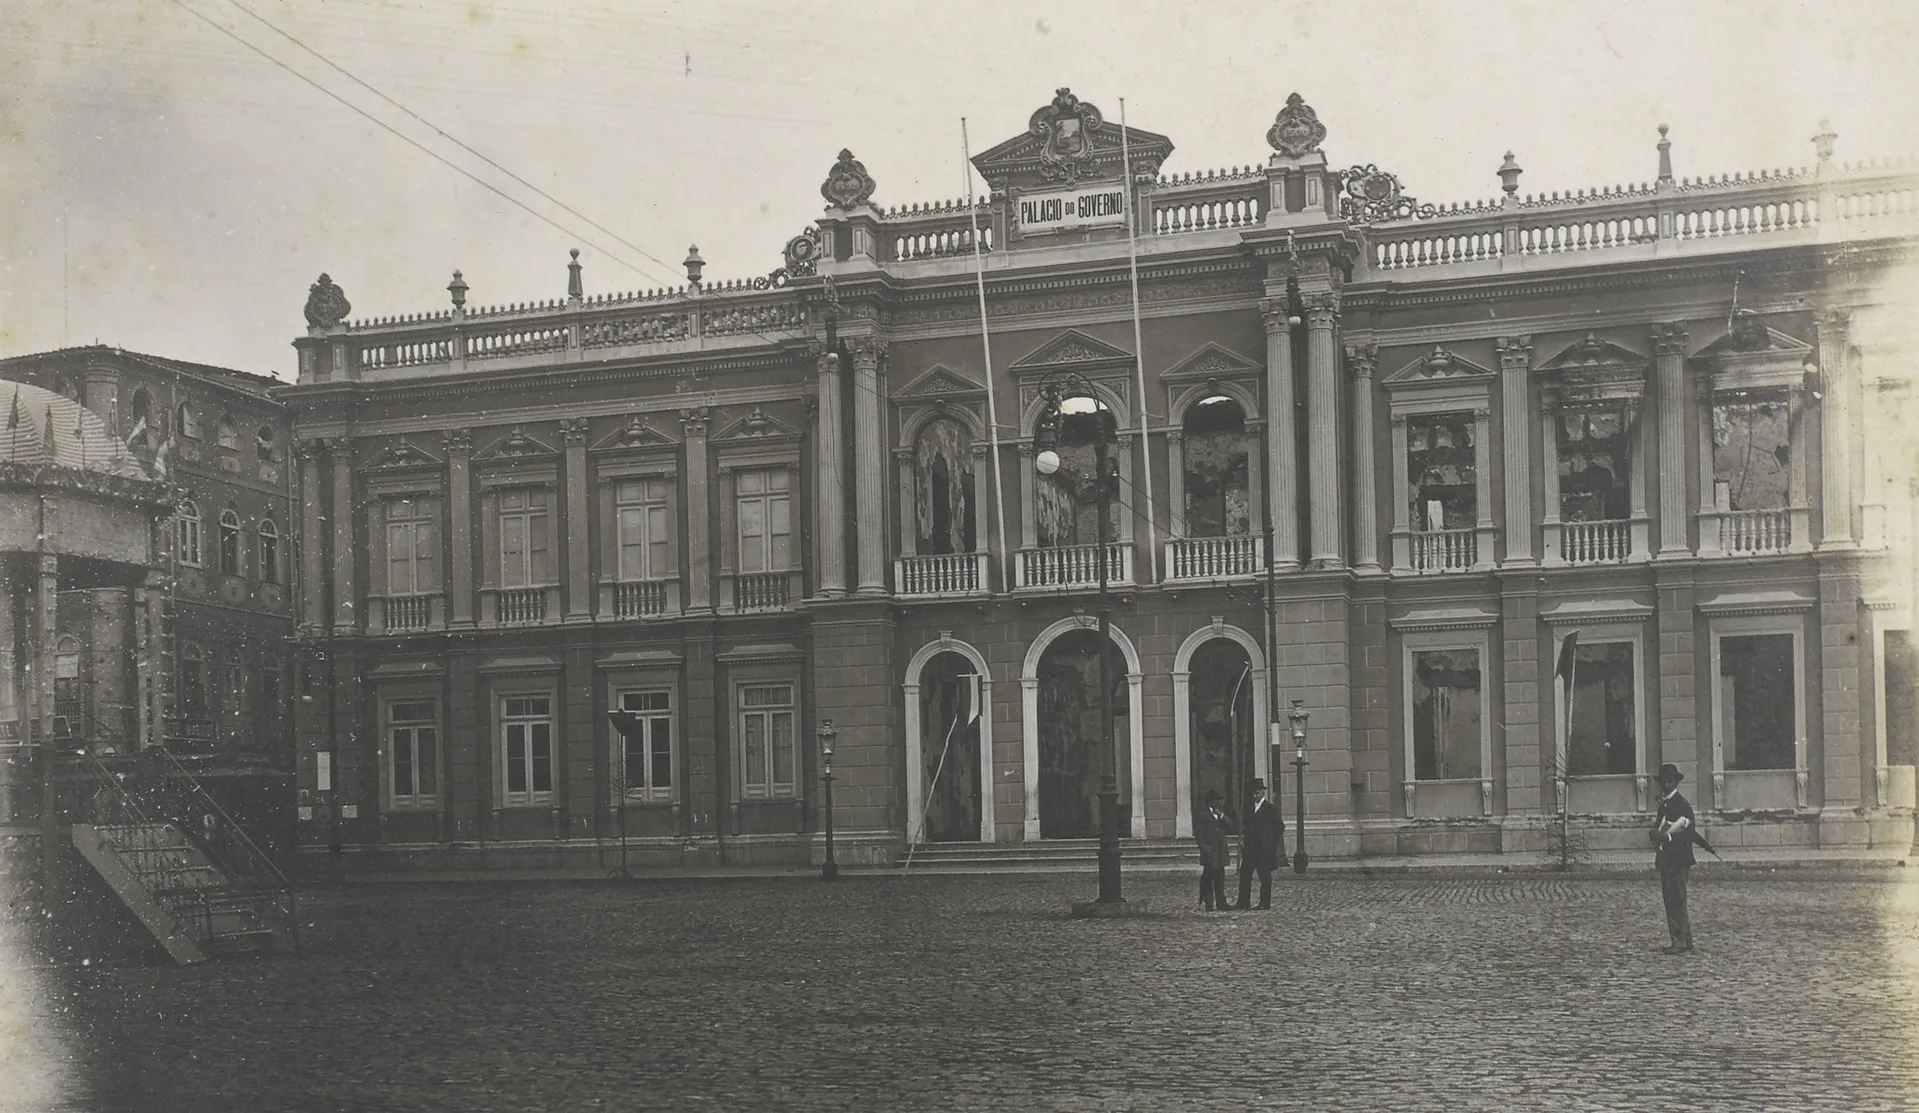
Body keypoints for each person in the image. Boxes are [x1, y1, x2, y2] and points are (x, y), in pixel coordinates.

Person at [1650, 762, 1710, 954]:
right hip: (1667, 858)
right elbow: (1660, 825)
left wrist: (1668, 836)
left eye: (1670, 781)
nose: (1666, 785)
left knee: (1677, 899)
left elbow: (1688, 832)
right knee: (1672, 899)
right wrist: (1655, 833)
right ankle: (1685, 939)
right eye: (1663, 782)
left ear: (1676, 783)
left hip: (1678, 859)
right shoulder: (1665, 803)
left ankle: (1679, 941)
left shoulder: (1681, 804)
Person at [1236, 779, 1283, 911]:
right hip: (1250, 849)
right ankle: (1243, 902)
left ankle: (1264, 903)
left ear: (1263, 793)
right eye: (1252, 794)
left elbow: (1279, 827)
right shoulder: (1249, 809)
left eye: (1256, 793)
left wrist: (1270, 843)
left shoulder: (1270, 809)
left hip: (1263, 850)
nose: (1254, 796)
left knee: (1264, 877)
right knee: (1245, 875)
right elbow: (1245, 825)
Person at [1194, 790, 1235, 911]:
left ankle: (1221, 903)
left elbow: (1231, 826)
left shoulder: (1221, 815)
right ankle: (1209, 903)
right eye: (1217, 800)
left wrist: (1222, 816)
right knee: (1208, 879)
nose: (1219, 803)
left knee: (1220, 879)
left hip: (1220, 853)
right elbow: (1199, 837)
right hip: (1210, 854)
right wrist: (1207, 850)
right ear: (1210, 802)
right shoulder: (1203, 815)